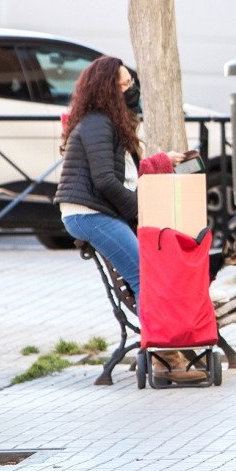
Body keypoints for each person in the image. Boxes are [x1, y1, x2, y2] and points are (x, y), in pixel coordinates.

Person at [55, 56, 201, 381]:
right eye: (122, 84)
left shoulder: (108, 121)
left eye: (130, 83)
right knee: (145, 277)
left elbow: (124, 171)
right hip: (87, 213)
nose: (129, 89)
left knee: (147, 275)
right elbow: (106, 180)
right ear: (106, 88)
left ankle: (166, 351)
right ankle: (164, 360)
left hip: (97, 211)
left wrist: (163, 161)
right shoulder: (97, 123)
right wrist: (140, 210)